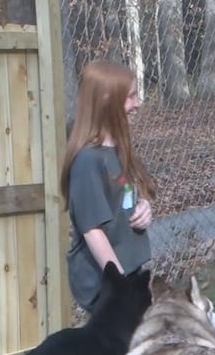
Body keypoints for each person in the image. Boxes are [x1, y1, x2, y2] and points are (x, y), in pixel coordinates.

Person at [62, 60, 155, 312]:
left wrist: (144, 206)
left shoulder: (116, 149)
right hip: (105, 282)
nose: (138, 103)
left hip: (126, 273)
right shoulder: (87, 161)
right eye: (131, 97)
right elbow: (92, 231)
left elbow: (131, 189)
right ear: (106, 101)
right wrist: (121, 287)